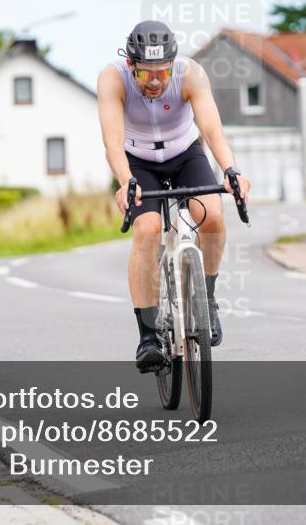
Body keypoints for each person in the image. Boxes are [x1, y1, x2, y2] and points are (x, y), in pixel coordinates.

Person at [97, 20, 251, 372]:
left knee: (212, 215)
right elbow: (112, 140)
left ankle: (206, 300)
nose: (154, 82)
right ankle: (148, 335)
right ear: (131, 65)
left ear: (172, 64)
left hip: (185, 154)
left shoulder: (190, 74)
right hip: (138, 161)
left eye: (162, 74)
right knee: (148, 230)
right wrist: (125, 181)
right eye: (146, 74)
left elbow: (211, 128)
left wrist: (230, 170)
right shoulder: (111, 78)